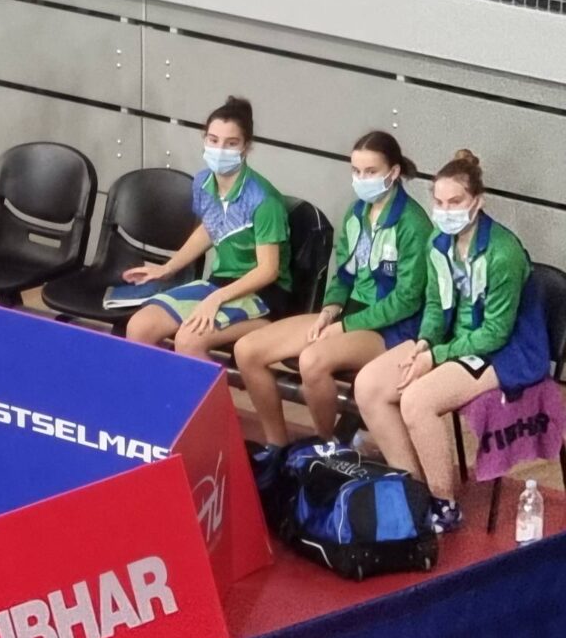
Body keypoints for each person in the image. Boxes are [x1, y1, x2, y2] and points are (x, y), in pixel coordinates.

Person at [355, 150, 549, 534]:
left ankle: (445, 504)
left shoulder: (503, 252)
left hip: (504, 351)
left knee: (417, 400)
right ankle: (413, 490)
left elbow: (496, 333)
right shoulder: (437, 243)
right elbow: (433, 304)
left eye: (455, 202)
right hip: (451, 340)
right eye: (439, 203)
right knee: (369, 386)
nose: (446, 211)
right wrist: (425, 342)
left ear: (478, 201)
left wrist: (437, 356)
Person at [234, 132, 431, 452]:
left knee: (312, 360)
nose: (361, 179)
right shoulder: (356, 213)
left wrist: (344, 326)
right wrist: (330, 310)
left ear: (393, 172)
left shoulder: (413, 224)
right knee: (248, 350)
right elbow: (344, 275)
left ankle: (328, 446)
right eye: (356, 171)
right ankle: (278, 447)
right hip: (350, 312)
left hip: (393, 327)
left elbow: (406, 300)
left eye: (371, 172)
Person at [124, 97, 292, 359]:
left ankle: (210, 389)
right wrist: (167, 268)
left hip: (263, 295)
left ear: (246, 147)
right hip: (219, 283)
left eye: (231, 143)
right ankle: (163, 387)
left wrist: (217, 299)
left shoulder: (264, 200)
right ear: (204, 139)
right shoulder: (203, 182)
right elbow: (209, 229)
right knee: (139, 327)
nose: (220, 149)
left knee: (189, 340)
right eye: (213, 140)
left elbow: (268, 270)